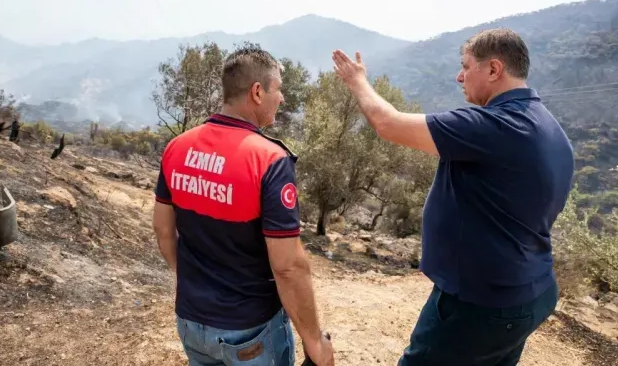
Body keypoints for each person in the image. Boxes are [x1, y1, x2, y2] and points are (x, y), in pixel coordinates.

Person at [332, 28, 574, 366]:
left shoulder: (493, 125)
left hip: (479, 304)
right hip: (531, 293)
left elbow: (388, 124)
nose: (459, 76)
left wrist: (356, 81)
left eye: (466, 66)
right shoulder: (550, 128)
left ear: (493, 69)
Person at [153, 46, 335, 366]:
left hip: (190, 322)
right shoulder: (269, 160)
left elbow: (163, 230)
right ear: (256, 92)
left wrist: (196, 288)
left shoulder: (176, 147)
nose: (282, 98)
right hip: (249, 333)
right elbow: (288, 267)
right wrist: (315, 342)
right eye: (277, 89)